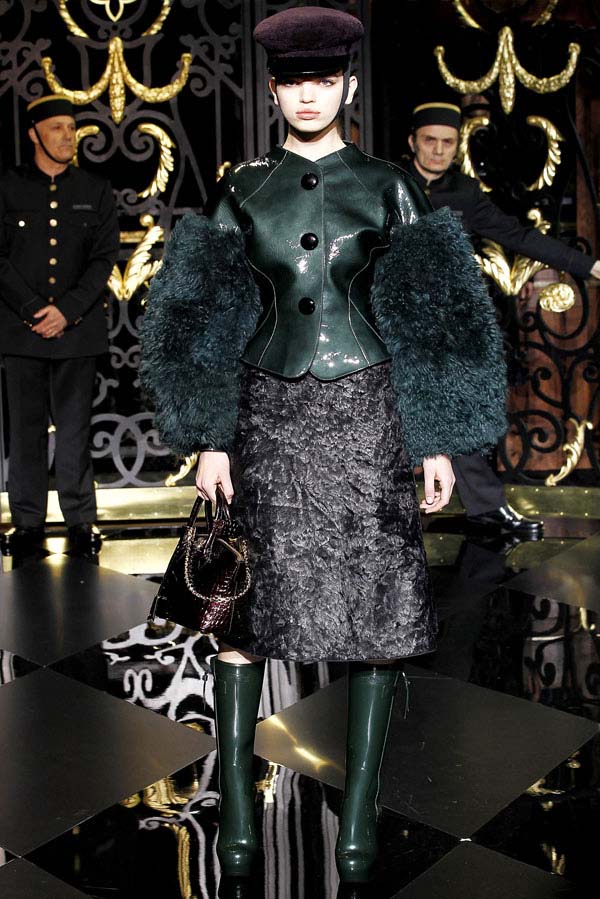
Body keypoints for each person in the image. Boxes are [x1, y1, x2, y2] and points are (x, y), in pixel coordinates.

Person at [140, 8, 506, 886]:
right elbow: (201, 317)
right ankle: (236, 809)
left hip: (367, 415)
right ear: (273, 91)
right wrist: (209, 436)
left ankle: (358, 819)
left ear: (346, 85)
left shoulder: (388, 184)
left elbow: (433, 315)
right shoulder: (242, 188)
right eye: (292, 82)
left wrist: (435, 437)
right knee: (242, 605)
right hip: (265, 416)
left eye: (323, 80)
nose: (308, 95)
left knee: (376, 612)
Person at [405, 101, 600, 539]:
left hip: (447, 323)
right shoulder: (390, 183)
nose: (438, 150)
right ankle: (378, 514)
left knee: (463, 411)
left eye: (448, 142)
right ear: (413, 142)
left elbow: (517, 235)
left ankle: (488, 509)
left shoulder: (464, 192)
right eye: (430, 140)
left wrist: (588, 266)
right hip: (390, 320)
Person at [0, 95, 119, 554]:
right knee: (24, 432)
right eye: (56, 128)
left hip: (76, 331)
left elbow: (103, 259)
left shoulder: (94, 189)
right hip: (22, 330)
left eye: (71, 128)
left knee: (74, 432)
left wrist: (66, 311)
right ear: (34, 134)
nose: (68, 136)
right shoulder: (8, 188)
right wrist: (33, 308)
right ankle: (27, 523)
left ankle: (80, 521)